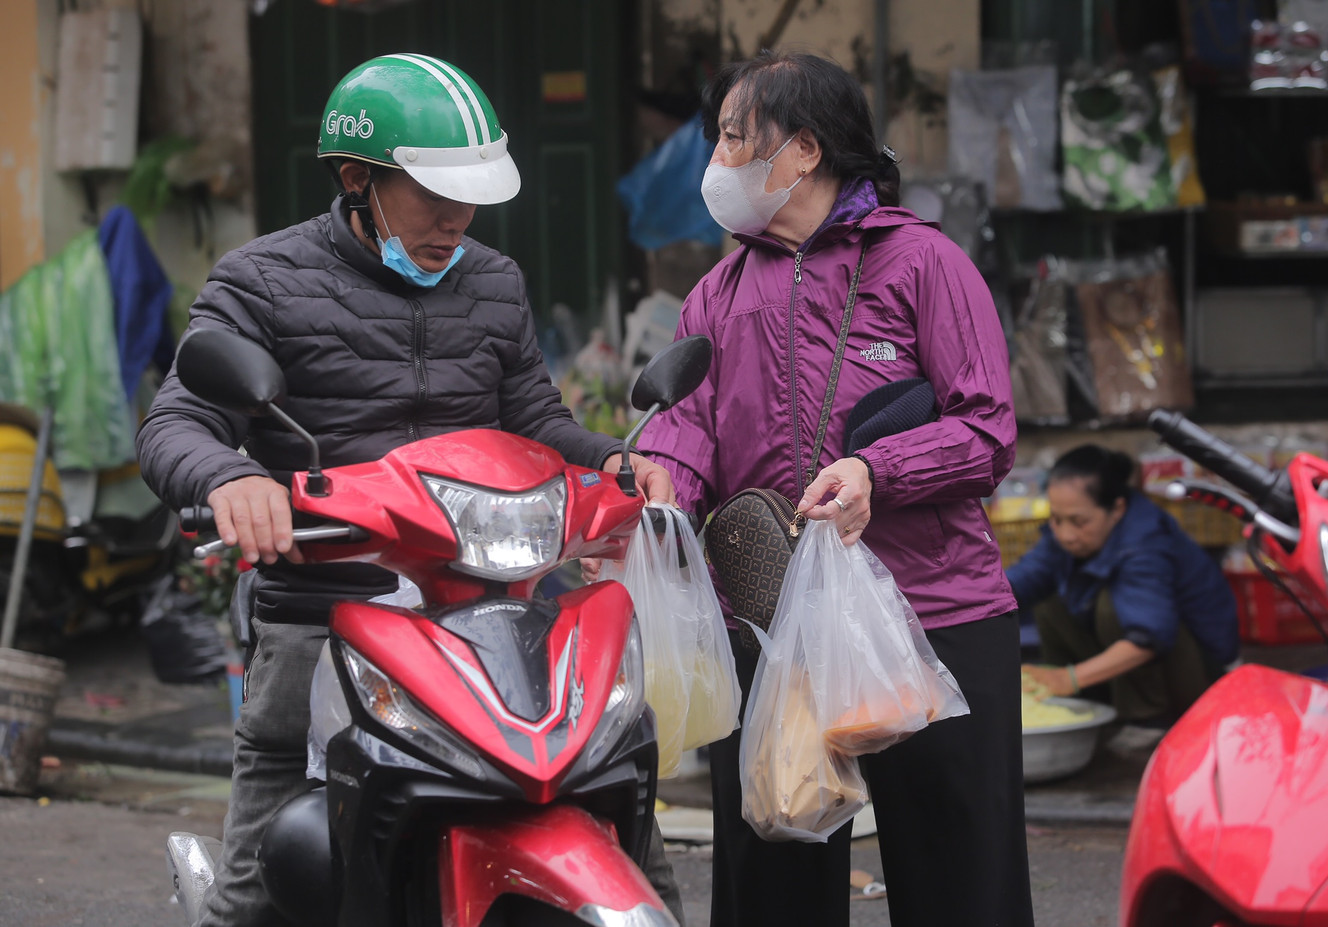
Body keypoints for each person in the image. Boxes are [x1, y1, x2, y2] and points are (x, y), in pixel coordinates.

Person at [136, 54, 685, 927]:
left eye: (470, 198)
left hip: (486, 611)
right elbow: (176, 424)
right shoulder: (262, 280)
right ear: (358, 178)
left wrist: (612, 462)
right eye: (434, 196)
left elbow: (534, 417)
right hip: (325, 600)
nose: (457, 220)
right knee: (259, 891)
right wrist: (233, 477)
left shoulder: (493, 282)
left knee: (625, 805)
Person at [637, 51, 1034, 927]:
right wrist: (661, 479)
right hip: (775, 621)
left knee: (960, 872)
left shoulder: (925, 263)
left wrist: (876, 471)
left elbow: (986, 431)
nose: (719, 162)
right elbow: (688, 421)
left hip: (934, 612)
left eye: (736, 139)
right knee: (774, 866)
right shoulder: (717, 291)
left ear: (804, 150)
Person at [1010, 445, 1240, 725]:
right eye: (1056, 519)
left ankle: (1145, 722)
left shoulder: (1145, 543)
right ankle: (1077, 706)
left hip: (1200, 672)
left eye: (1079, 522)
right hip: (1133, 659)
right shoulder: (1065, 537)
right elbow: (1023, 580)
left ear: (1117, 508)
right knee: (1048, 600)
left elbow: (1149, 636)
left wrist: (1069, 678)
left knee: (1113, 608)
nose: (1066, 534)